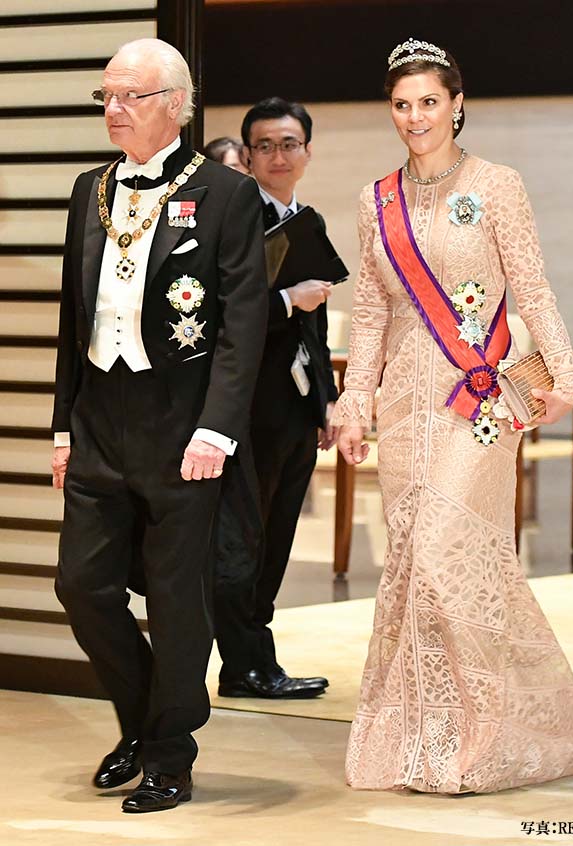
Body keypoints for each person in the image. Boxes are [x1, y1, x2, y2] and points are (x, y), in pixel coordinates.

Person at [333, 38, 573, 793]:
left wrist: (562, 374)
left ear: (457, 103)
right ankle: (426, 739)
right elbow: (368, 313)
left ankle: (485, 738)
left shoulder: (497, 185)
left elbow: (532, 289)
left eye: (429, 102)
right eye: (402, 104)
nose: (415, 117)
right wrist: (355, 396)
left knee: (448, 554)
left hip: (478, 402)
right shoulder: (376, 201)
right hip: (405, 404)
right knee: (412, 569)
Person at [51, 38, 267, 812]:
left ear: (176, 103)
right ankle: (144, 720)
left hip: (184, 430)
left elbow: (245, 325)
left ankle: (170, 756)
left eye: (129, 96)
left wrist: (218, 428)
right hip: (101, 420)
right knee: (81, 585)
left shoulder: (225, 194)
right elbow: (74, 316)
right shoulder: (90, 188)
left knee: (178, 602)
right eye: (105, 96)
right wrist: (62, 430)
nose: (112, 110)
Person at [213, 98, 338, 699]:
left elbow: (316, 328)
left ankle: (255, 659)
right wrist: (289, 300)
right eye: (265, 145)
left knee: (279, 532)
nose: (279, 155)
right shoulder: (232, 219)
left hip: (294, 405)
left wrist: (329, 402)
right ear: (248, 155)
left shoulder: (304, 220)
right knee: (242, 539)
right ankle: (244, 663)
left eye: (290, 143)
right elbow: (218, 317)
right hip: (244, 406)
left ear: (307, 152)